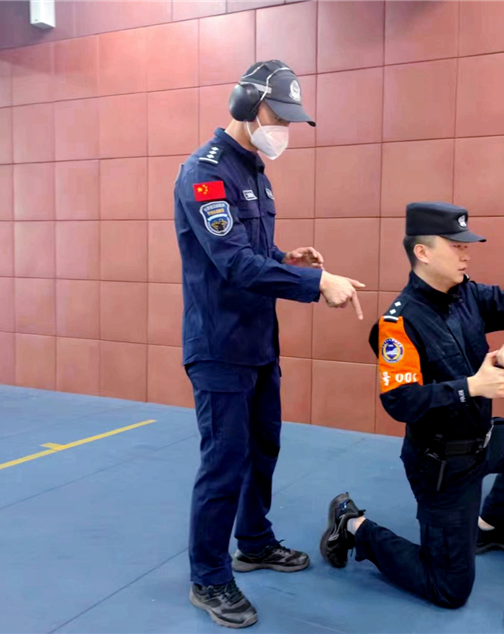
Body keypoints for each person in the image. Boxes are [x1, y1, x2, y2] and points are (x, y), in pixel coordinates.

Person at [174, 60, 364, 629]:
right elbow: (232, 263)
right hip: (219, 346)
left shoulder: (255, 170)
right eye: (277, 116)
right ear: (246, 105)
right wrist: (316, 283)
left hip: (259, 342)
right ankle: (209, 578)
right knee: (224, 462)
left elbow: (252, 251)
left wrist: (286, 258)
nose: (282, 128)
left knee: (263, 449)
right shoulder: (205, 173)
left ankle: (254, 542)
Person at [319, 202, 504, 609]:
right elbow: (400, 401)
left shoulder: (467, 295)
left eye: (466, 246)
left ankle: (491, 527)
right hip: (442, 463)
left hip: (482, 439)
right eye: (456, 246)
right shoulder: (398, 323)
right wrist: (472, 386)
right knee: (449, 589)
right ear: (423, 252)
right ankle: (353, 525)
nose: (466, 254)